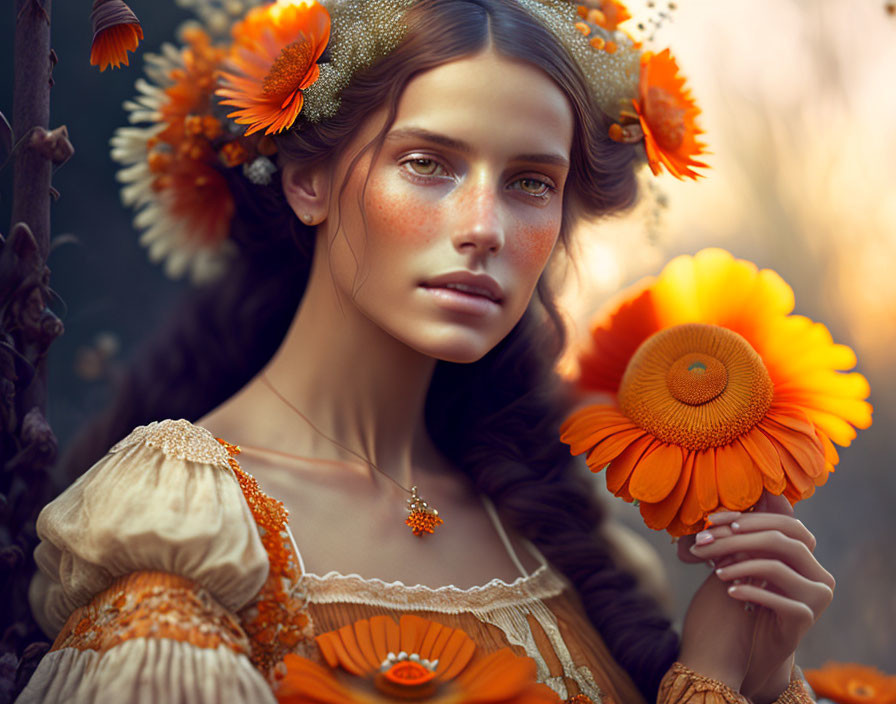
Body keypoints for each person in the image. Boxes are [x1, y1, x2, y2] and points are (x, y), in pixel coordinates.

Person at [17, 0, 832, 701]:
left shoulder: (565, 538)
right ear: (309, 182)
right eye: (428, 163)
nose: (486, 228)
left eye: (530, 183)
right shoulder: (185, 526)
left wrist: (747, 674)